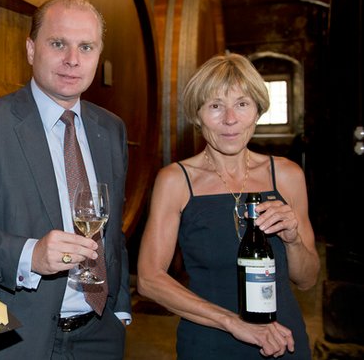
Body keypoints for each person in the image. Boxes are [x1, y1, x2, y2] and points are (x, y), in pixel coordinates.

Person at [0, 0, 131, 359]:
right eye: (58, 44)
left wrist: (120, 310)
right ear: (30, 49)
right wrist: (30, 255)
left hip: (100, 336)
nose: (73, 59)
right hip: (16, 338)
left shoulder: (111, 129)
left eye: (86, 47)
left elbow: (112, 232)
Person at [137, 53, 319, 359]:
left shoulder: (288, 175)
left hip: (282, 340)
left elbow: (307, 279)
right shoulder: (176, 181)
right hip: (209, 342)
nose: (230, 120)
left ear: (258, 110)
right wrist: (232, 322)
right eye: (216, 106)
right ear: (197, 116)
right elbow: (148, 279)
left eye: (242, 104)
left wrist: (293, 239)